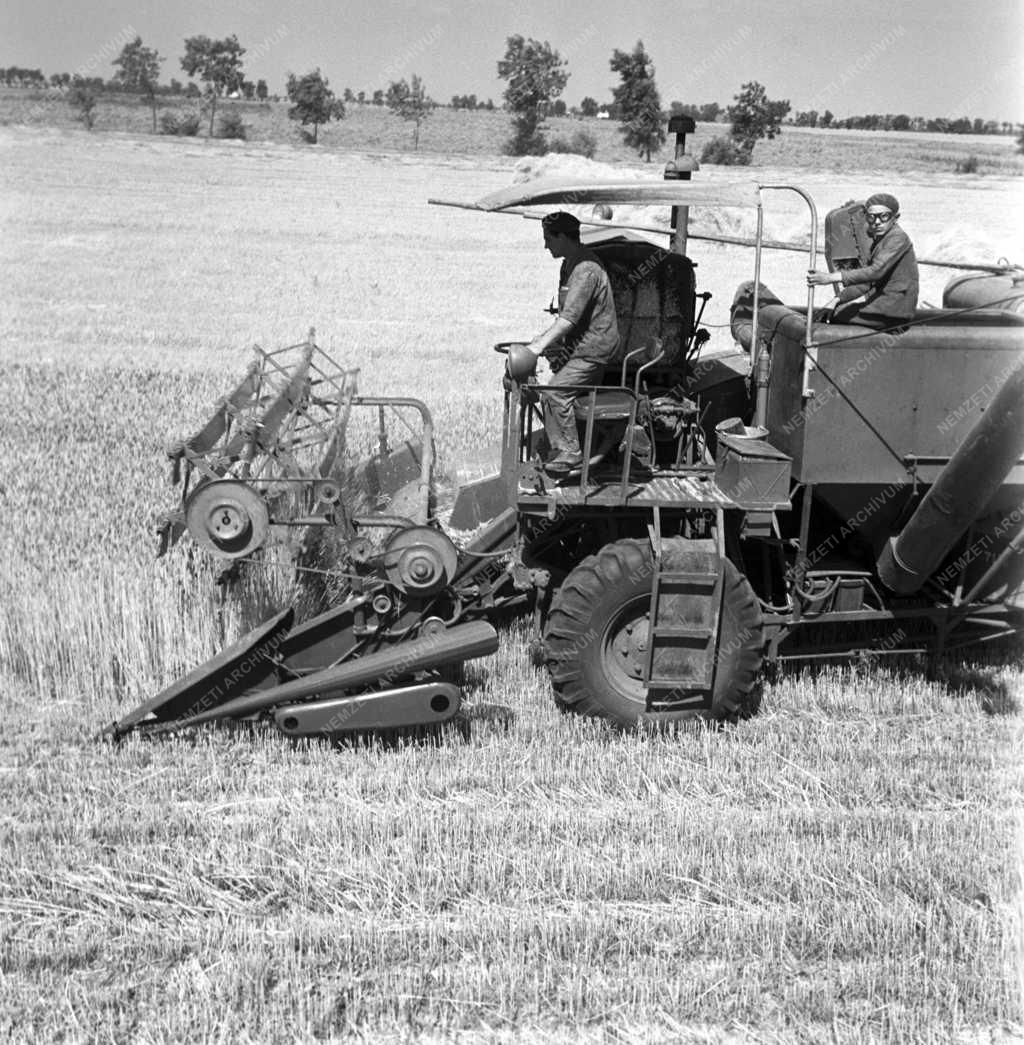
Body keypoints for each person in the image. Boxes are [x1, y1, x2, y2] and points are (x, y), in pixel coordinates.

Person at [526, 211, 619, 474]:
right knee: (547, 391)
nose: (546, 245)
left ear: (563, 237)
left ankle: (571, 452)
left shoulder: (585, 270)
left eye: (548, 239)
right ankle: (560, 449)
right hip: (581, 345)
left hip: (594, 349)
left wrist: (539, 346)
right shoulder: (569, 264)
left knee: (556, 392)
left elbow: (569, 318)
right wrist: (546, 341)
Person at [807, 193, 919, 329]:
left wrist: (830, 278)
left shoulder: (898, 238)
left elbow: (875, 272)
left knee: (834, 316)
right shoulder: (880, 240)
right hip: (887, 308)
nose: (877, 222)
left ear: (895, 217)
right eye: (872, 217)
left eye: (884, 216)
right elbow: (866, 282)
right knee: (831, 310)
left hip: (894, 312)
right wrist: (837, 299)